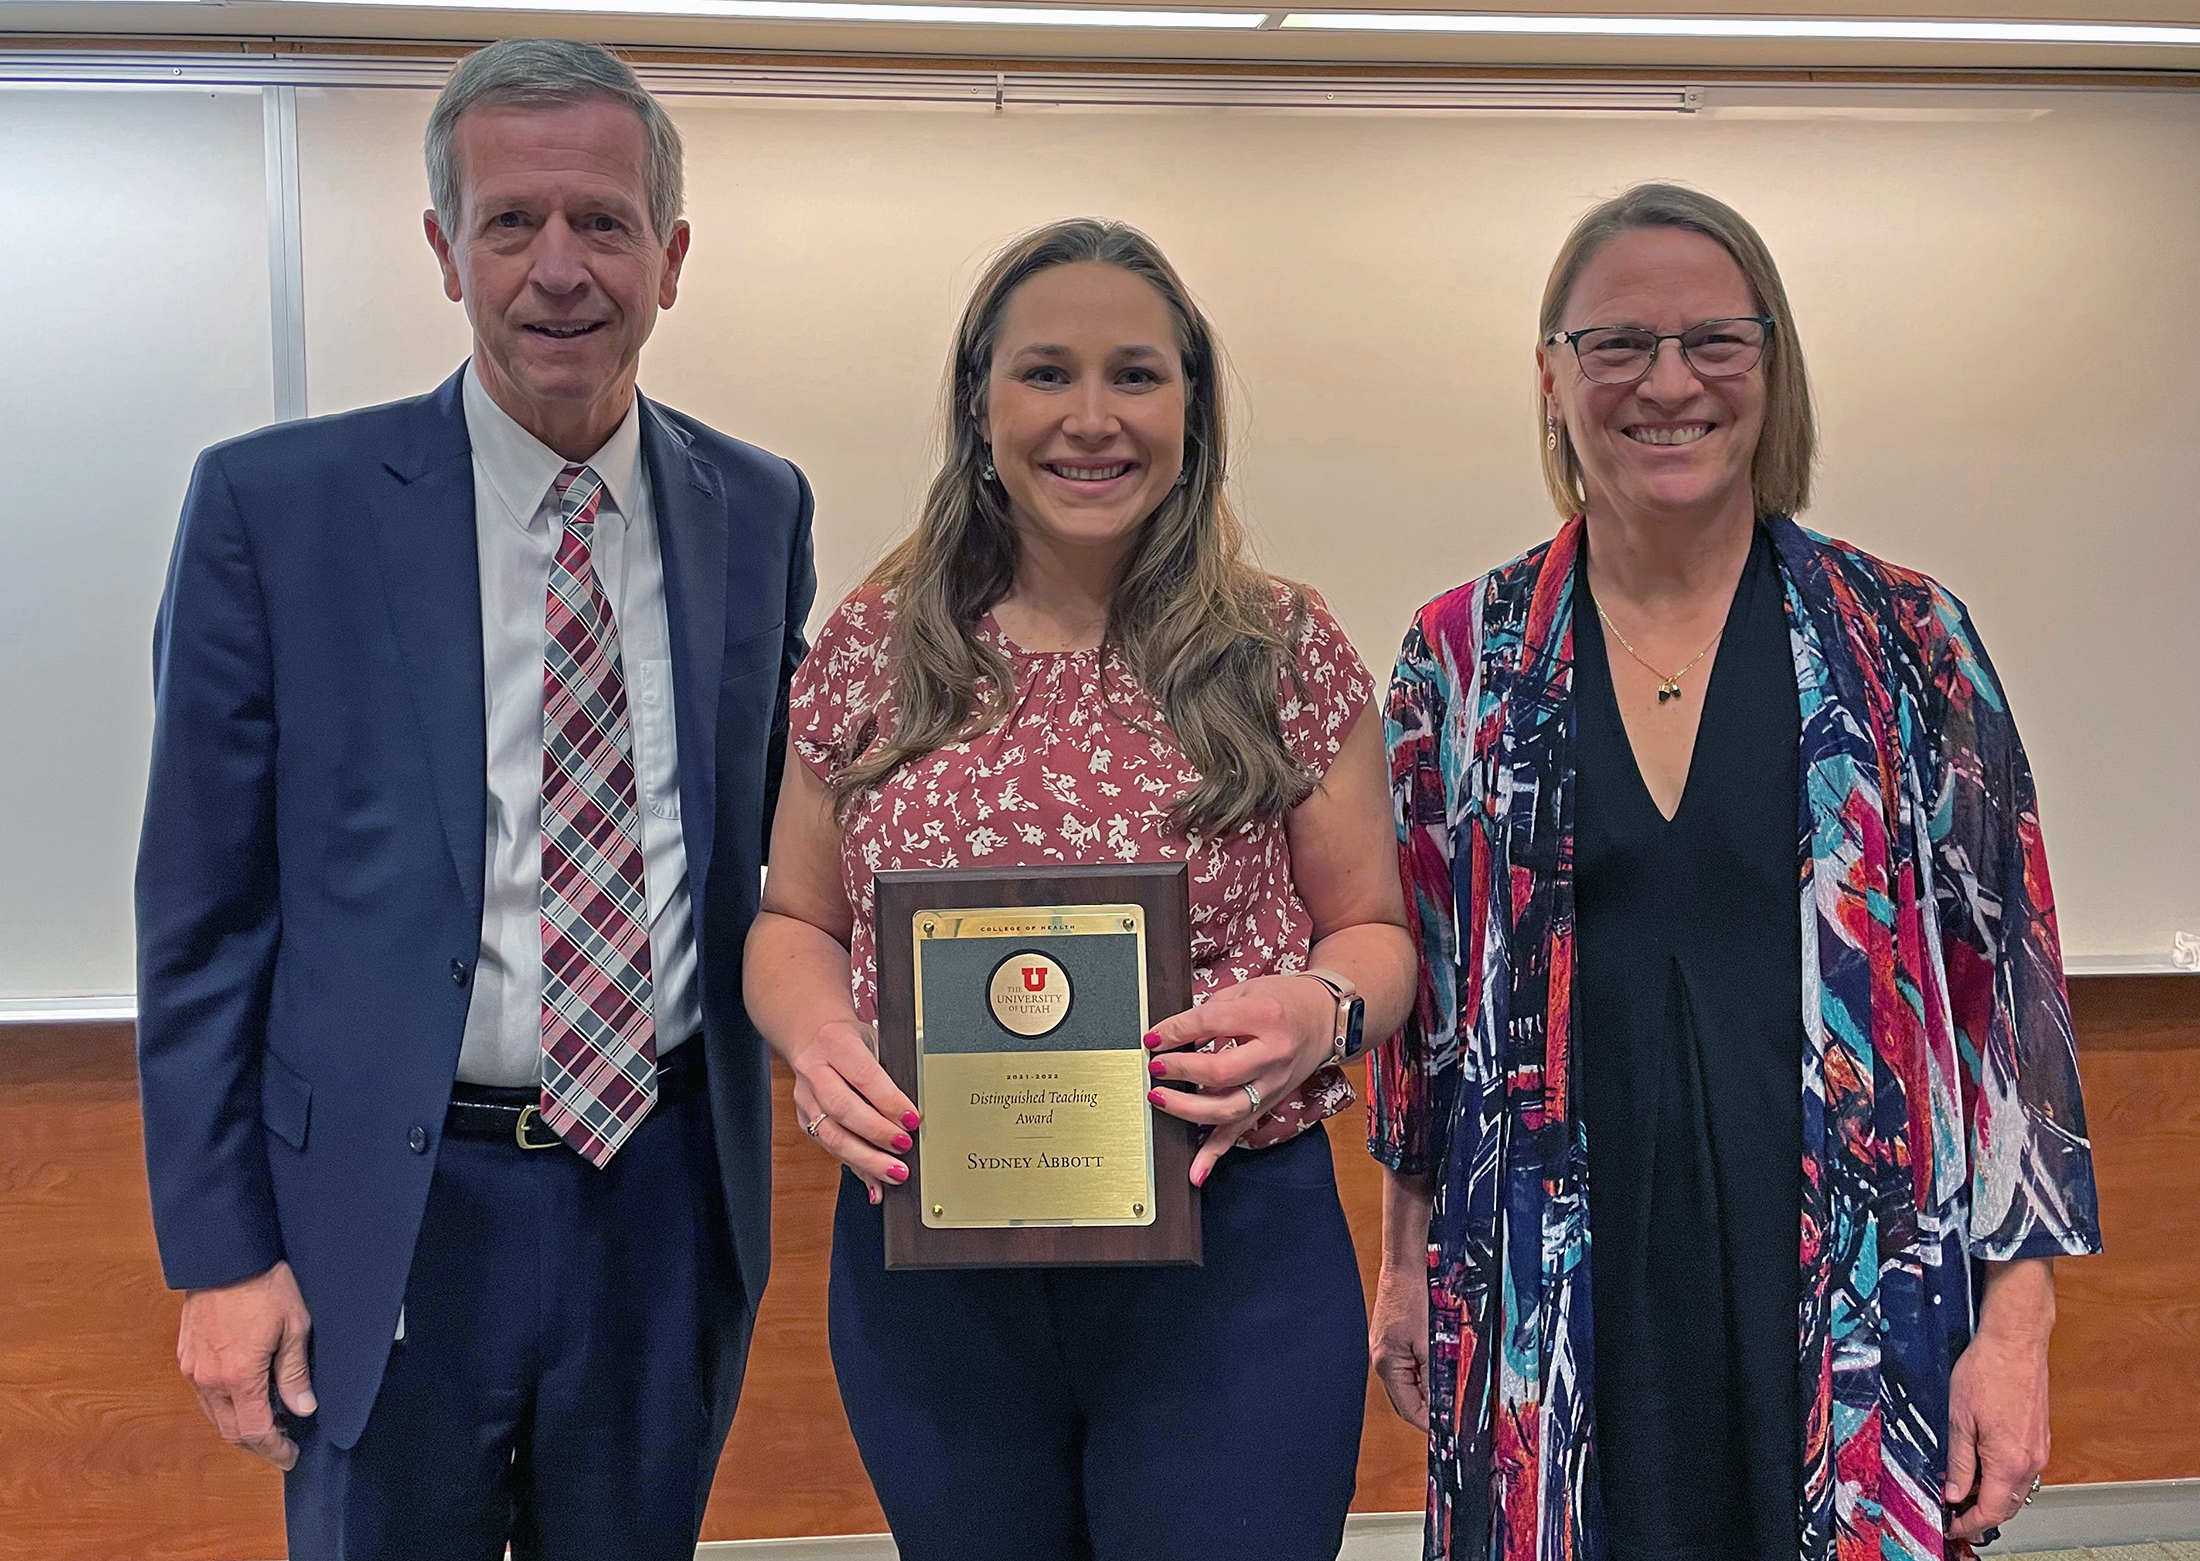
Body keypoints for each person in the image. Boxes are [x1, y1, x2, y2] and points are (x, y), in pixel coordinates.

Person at [134, 37, 814, 1560]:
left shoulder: (755, 508)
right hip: (392, 1203)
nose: (559, 267)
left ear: (673, 256)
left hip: (661, 1196)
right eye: (512, 222)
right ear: (444, 251)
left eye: (603, 222)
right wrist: (226, 1252)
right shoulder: (275, 509)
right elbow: (200, 917)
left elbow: (781, 834)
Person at [1368, 182, 2102, 1561]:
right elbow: (1430, 1012)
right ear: (1551, 376)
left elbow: (2012, 1011)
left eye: (1717, 340)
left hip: (1851, 1285)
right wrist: (1405, 1264)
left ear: (1775, 370)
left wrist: (2017, 1325)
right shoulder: (1458, 658)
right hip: (1553, 1284)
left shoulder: (1907, 641)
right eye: (1618, 345)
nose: (1669, 382)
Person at [742, 218, 1416, 1561]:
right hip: (940, 1275)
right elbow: (791, 921)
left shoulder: (1280, 644)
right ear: (980, 401)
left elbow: (1378, 931)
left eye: (1138, 375)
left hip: (1234, 1262)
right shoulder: (878, 648)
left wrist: (1325, 1008)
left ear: (1192, 406)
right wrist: (818, 1041)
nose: (1092, 419)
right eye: (1048, 373)